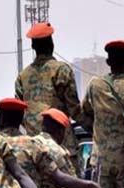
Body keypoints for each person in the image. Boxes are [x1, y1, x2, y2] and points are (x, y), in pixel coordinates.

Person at [8, 108, 113, 188]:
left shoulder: (33, 142)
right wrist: (91, 185)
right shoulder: (55, 148)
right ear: (60, 131)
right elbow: (67, 180)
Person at [81, 40, 124, 188]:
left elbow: (85, 112)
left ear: (108, 62)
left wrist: (99, 131)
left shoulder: (96, 85)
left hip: (101, 160)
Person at [15, 22, 84, 159]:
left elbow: (20, 114)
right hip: (62, 146)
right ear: (52, 44)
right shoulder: (61, 70)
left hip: (34, 148)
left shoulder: (23, 77)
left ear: (33, 47)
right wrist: (94, 127)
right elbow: (74, 110)